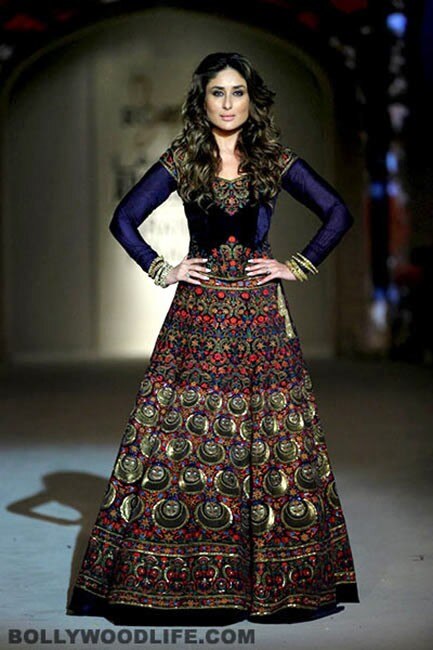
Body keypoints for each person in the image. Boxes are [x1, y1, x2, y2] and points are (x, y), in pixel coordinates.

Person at [66, 51, 360, 626]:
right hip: (197, 318)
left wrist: (296, 265)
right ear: (202, 102)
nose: (228, 104)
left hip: (260, 319)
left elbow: (337, 213)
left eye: (238, 92)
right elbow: (123, 218)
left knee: (269, 442)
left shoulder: (273, 159)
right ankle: (193, 579)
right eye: (217, 93)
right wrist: (164, 268)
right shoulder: (185, 158)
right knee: (185, 438)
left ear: (252, 100)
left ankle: (268, 581)